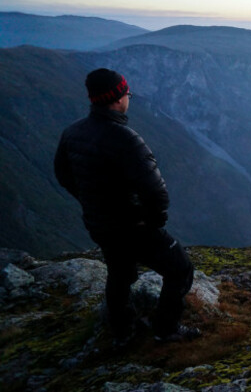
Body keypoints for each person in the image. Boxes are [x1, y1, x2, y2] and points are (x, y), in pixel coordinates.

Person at [54, 68, 200, 346]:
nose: (128, 98)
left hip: (99, 224)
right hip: (132, 225)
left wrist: (91, 202)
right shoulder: (126, 138)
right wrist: (153, 222)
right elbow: (155, 191)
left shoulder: (72, 133)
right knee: (180, 269)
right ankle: (166, 329)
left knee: (120, 272)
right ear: (119, 98)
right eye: (127, 93)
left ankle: (122, 330)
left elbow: (63, 175)